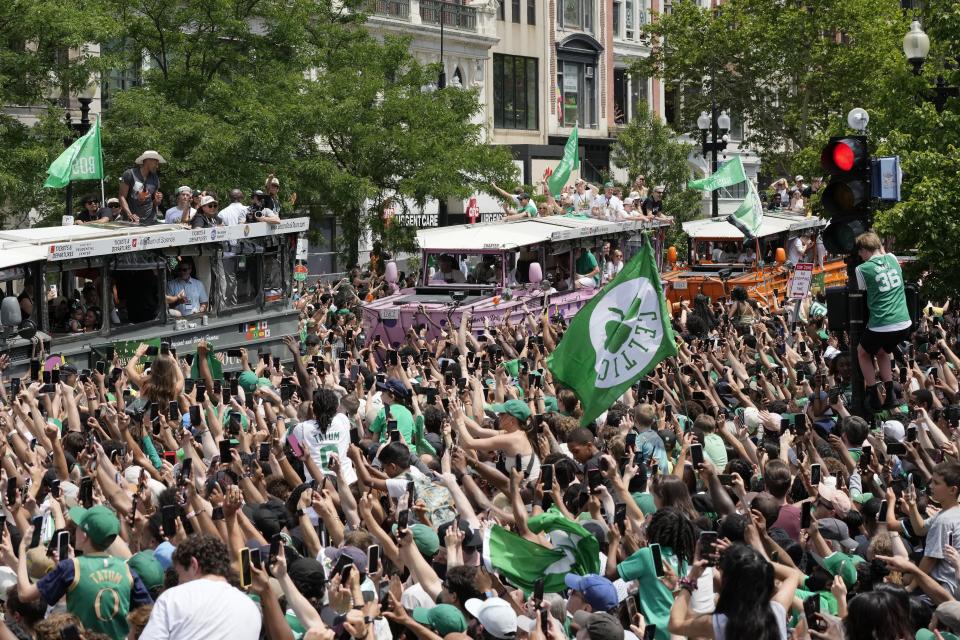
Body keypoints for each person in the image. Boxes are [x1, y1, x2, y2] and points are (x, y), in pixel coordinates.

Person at [16, 505, 154, 640]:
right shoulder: (127, 570)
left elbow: (24, 594)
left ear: (84, 535)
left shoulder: (71, 568)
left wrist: (22, 549)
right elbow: (149, 612)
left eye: (78, 527)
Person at [138, 534, 261, 640]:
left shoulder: (173, 598)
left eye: (180, 575)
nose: (179, 582)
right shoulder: (251, 606)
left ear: (193, 564)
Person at [854, 231, 911, 409]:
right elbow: (884, 253)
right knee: (881, 352)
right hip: (904, 323)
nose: (859, 255)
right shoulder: (893, 259)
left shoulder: (861, 269)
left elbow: (862, 291)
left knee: (862, 353)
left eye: (860, 251)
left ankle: (872, 393)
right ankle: (890, 394)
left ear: (864, 249)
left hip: (882, 324)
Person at [118, 150, 165, 224]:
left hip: (151, 220)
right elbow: (121, 196)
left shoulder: (155, 177)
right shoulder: (130, 174)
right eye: (156, 163)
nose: (157, 166)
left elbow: (155, 203)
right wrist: (130, 214)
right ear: (148, 161)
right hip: (132, 221)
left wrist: (158, 200)